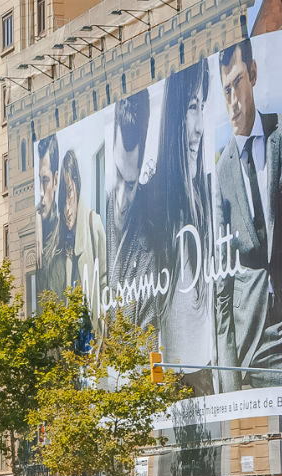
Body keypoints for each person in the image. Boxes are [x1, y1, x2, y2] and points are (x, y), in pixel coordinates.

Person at [212, 38, 282, 391]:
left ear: (252, 73)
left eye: (237, 82)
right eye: (225, 90)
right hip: (243, 340)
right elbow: (220, 284)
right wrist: (227, 378)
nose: (232, 100)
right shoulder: (222, 173)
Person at [152, 59, 216, 396]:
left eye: (202, 107)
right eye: (192, 107)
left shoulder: (212, 195)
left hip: (208, 373)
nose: (199, 126)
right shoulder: (153, 201)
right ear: (176, 113)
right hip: (166, 382)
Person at [106, 89, 159, 328]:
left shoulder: (149, 250)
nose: (121, 198)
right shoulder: (102, 215)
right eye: (118, 175)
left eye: (130, 185)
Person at [52, 148, 109, 350]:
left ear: (77, 188)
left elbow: (106, 285)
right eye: (63, 201)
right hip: (73, 358)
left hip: (97, 349)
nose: (67, 209)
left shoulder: (94, 224)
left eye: (69, 194)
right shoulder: (61, 249)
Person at [32, 134, 64, 311]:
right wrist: (36, 217)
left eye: (46, 181)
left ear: (56, 180)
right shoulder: (38, 223)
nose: (42, 193)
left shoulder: (64, 231)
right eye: (40, 181)